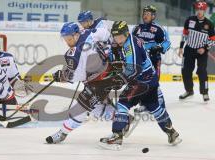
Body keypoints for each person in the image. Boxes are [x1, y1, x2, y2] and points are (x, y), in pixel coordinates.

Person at [99, 21, 182, 150]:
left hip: (141, 81)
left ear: (126, 33)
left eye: (119, 36)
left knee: (122, 104)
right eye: (114, 36)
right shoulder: (131, 39)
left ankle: (117, 136)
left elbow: (134, 70)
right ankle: (172, 133)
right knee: (154, 107)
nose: (116, 39)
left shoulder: (130, 46)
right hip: (151, 80)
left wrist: (117, 81)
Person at [45, 22, 125, 144]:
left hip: (98, 82)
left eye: (69, 38)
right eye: (65, 39)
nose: (67, 41)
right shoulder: (90, 33)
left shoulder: (74, 53)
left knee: (81, 108)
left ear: (77, 35)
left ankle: (62, 133)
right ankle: (124, 119)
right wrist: (112, 49)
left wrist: (62, 76)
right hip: (110, 74)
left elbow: (78, 75)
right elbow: (105, 33)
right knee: (97, 108)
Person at [178, 1, 215, 101]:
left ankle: (205, 92)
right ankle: (189, 90)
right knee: (185, 71)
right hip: (189, 49)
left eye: (201, 10)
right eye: (197, 9)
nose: (199, 12)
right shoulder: (189, 20)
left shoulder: (209, 24)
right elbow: (184, 35)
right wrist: (181, 47)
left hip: (202, 52)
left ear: (205, 10)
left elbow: (213, 40)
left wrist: (205, 48)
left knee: (202, 71)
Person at [133, 5, 171, 80]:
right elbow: (130, 42)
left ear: (153, 16)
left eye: (147, 14)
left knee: (154, 81)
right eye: (144, 14)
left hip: (153, 58)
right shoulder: (136, 28)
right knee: (138, 82)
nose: (145, 16)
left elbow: (167, 42)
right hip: (139, 59)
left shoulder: (159, 29)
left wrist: (159, 47)